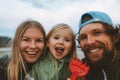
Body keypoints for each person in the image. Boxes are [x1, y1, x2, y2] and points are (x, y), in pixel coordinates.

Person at [76, 11, 120, 80]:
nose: (89, 42)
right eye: (83, 37)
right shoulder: (81, 68)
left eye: (97, 33)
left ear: (114, 37)